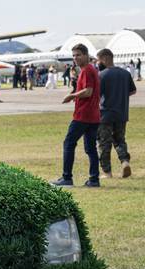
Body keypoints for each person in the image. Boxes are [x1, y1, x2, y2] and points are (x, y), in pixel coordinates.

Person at [52, 44, 101, 188]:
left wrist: (72, 96)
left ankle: (66, 178)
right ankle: (94, 180)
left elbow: (88, 91)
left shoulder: (87, 70)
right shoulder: (91, 69)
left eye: (78, 55)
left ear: (86, 55)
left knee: (69, 143)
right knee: (91, 148)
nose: (75, 58)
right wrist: (76, 95)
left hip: (83, 115)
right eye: (73, 55)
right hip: (93, 115)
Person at [96, 48, 137, 179]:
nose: (97, 63)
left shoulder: (101, 75)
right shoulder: (125, 73)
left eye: (98, 60)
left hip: (105, 114)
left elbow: (96, 95)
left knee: (104, 143)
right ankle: (125, 162)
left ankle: (107, 172)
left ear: (104, 58)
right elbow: (133, 91)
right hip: (122, 113)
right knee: (120, 140)